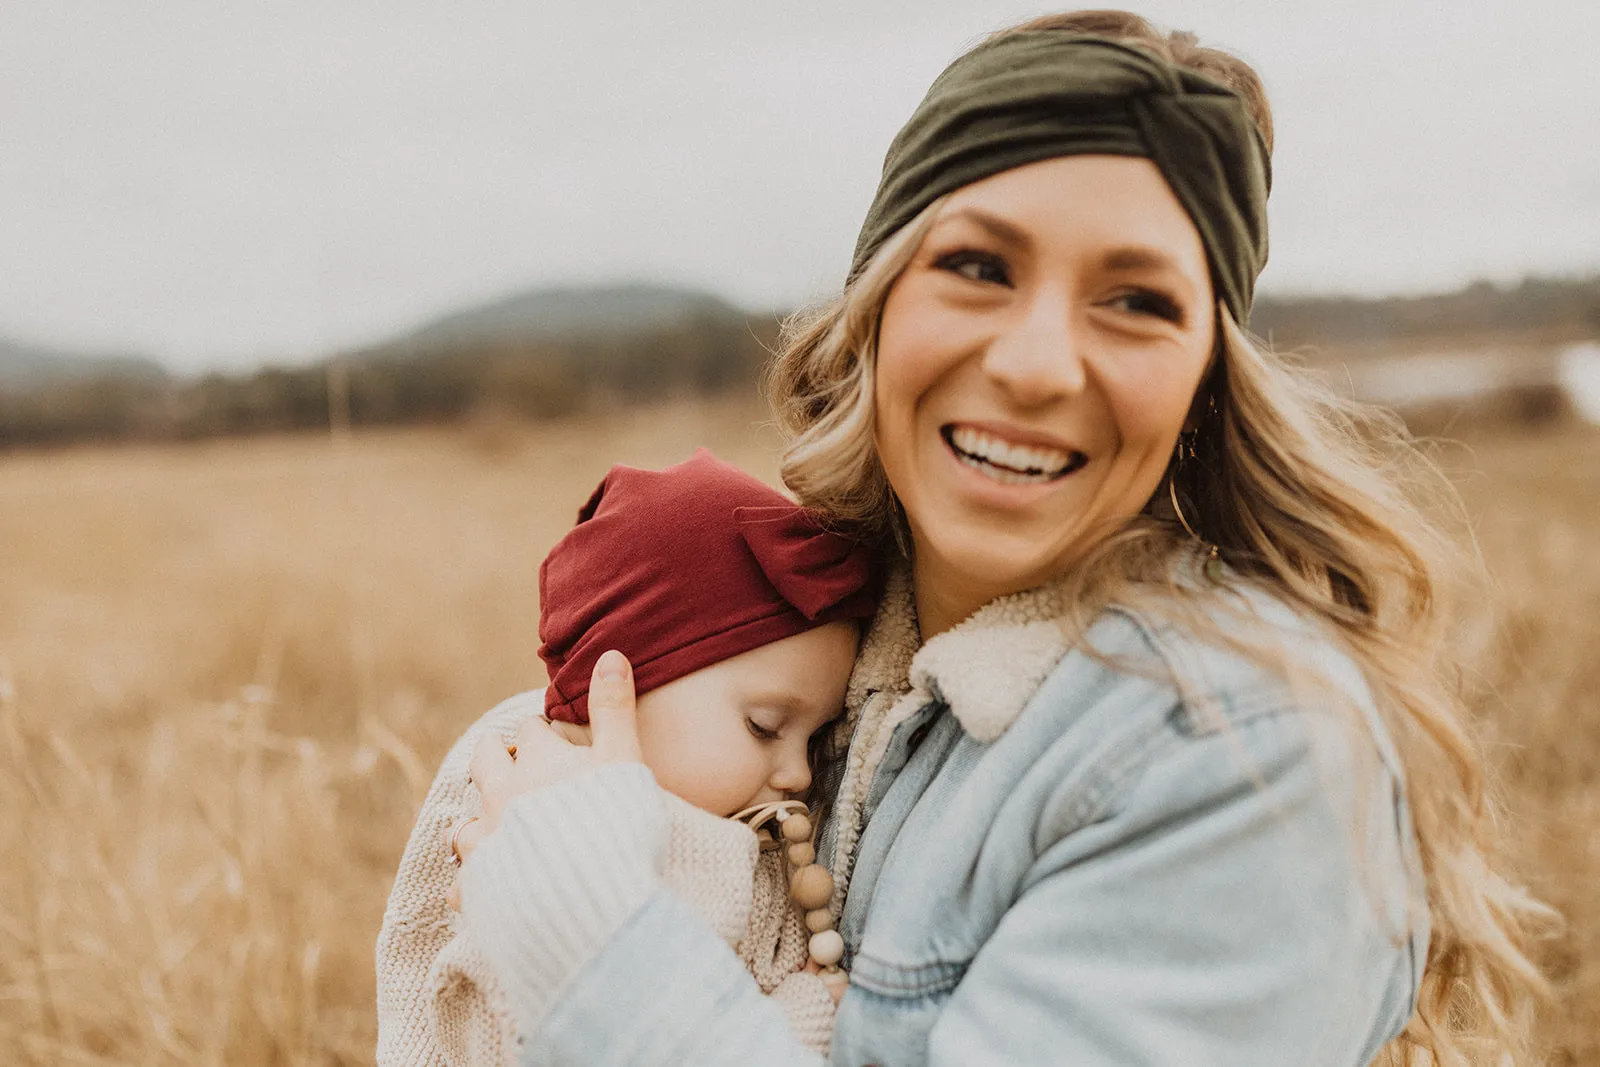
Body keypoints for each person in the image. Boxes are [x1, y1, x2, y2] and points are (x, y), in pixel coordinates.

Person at [445, 11, 1550, 1066]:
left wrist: (587, 938)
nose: (1034, 363)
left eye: (1136, 300)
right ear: (878, 302)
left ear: (1205, 372)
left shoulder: (1240, 753)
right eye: (979, 267)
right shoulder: (824, 632)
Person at [375, 449, 880, 1064]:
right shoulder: (531, 816)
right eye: (764, 725)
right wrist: (817, 1013)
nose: (799, 773)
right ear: (617, 685)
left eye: (817, 738)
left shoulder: (753, 835)